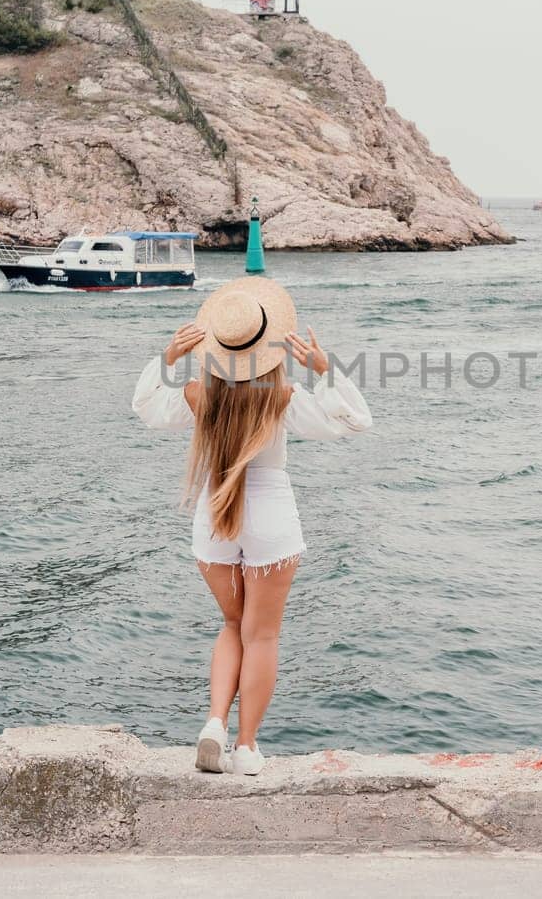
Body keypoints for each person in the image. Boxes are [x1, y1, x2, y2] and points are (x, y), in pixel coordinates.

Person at [132, 277, 372, 776]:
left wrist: (166, 358)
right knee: (262, 636)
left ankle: (214, 723)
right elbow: (354, 422)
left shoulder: (198, 394)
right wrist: (325, 371)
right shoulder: (281, 397)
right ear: (267, 347)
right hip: (271, 518)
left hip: (214, 513)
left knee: (232, 625)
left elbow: (146, 407)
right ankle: (245, 747)